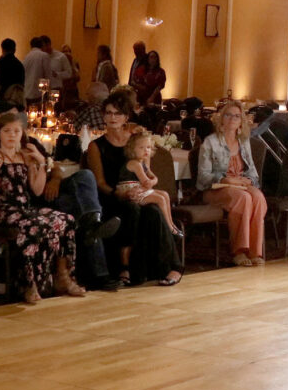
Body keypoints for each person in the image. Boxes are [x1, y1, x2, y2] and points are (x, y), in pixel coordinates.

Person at [0, 112, 85, 302]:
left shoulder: (24, 156)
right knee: (33, 225)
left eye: (16, 131)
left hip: (23, 207)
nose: (12, 135)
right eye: (7, 131)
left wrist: (40, 163)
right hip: (2, 208)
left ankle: (62, 276)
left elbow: (37, 191)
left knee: (66, 219)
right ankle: (29, 283)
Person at [85, 88, 183, 286]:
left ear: (126, 116)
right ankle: (127, 268)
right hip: (113, 197)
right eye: (109, 113)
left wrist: (144, 186)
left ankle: (173, 267)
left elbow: (147, 171)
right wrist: (120, 194)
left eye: (118, 113)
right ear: (103, 115)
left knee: (154, 211)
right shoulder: (96, 146)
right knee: (132, 209)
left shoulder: (135, 141)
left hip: (138, 192)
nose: (112, 118)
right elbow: (100, 183)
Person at [199, 99, 267, 266]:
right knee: (242, 198)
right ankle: (239, 251)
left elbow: (252, 172)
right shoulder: (210, 142)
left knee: (257, 197)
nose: (232, 119)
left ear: (241, 121)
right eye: (228, 115)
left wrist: (248, 180)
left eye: (237, 116)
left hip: (239, 185)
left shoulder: (243, 142)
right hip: (215, 189)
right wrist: (224, 179)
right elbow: (203, 177)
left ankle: (255, 252)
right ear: (222, 118)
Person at [19, 36, 52, 103]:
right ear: (42, 45)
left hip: (26, 92)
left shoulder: (27, 57)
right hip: (38, 93)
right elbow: (48, 75)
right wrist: (49, 92)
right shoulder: (44, 55)